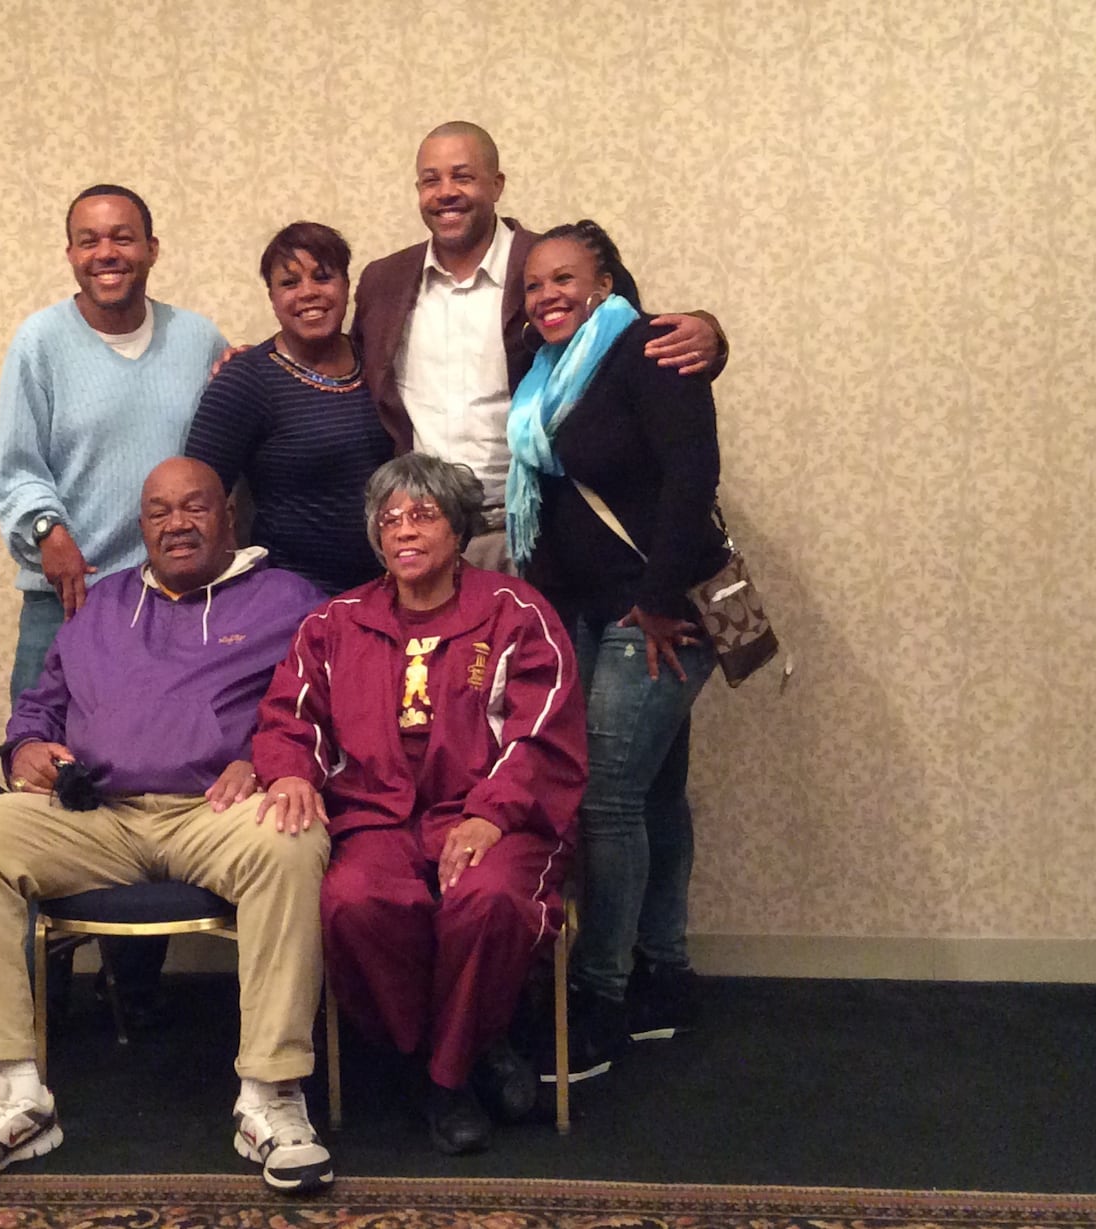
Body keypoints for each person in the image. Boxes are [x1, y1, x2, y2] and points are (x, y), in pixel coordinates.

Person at [0, 457, 334, 1195]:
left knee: (292, 837)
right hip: (100, 814)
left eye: (195, 506)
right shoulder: (102, 605)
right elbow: (40, 704)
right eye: (159, 511)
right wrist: (28, 748)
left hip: (215, 810)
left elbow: (324, 705)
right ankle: (12, 1094)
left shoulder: (289, 600)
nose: (177, 522)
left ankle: (270, 1094)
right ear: (141, 525)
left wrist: (265, 759)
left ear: (229, 517)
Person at [252, 453, 586, 1156]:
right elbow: (290, 719)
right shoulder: (334, 623)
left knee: (488, 899)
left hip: (495, 815)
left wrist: (490, 812)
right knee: (352, 903)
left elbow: (543, 732)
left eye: (424, 514)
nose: (405, 530)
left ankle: (441, 1079)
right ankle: (458, 1052)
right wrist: (288, 772)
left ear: (457, 528)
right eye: (390, 517)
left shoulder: (515, 613)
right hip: (377, 817)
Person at [506, 220, 728, 1084]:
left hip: (657, 612)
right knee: (656, 793)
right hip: (595, 611)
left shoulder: (648, 349)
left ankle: (599, 998)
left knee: (605, 797)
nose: (548, 294)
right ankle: (665, 977)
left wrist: (660, 601)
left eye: (565, 277)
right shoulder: (545, 376)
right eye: (533, 285)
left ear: (604, 281)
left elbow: (691, 476)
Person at [351, 121, 727, 571]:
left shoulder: (544, 263)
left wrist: (710, 334)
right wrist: (265, 358)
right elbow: (350, 367)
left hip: (542, 530)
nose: (446, 191)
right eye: (431, 180)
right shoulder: (383, 280)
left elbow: (626, 332)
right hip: (429, 538)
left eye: (463, 176)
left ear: (497, 184)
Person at [0, 183, 227, 701]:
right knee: (42, 761)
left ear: (152, 248)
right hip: (68, 599)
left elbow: (224, 462)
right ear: (71, 254)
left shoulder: (197, 338)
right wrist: (47, 531)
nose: (106, 254)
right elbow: (17, 470)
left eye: (122, 238)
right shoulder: (39, 343)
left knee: (163, 758)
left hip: (175, 597)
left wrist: (254, 370)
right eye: (89, 241)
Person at [186, 221, 394, 595]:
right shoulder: (244, 381)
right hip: (292, 599)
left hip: (392, 591)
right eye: (289, 282)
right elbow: (197, 497)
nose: (308, 293)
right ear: (271, 296)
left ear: (346, 286)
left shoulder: (379, 362)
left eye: (323, 277)